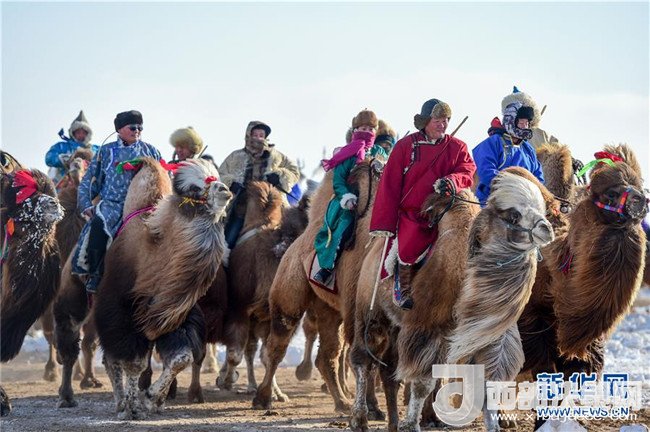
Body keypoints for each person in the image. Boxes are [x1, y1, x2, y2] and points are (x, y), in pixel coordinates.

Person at [369, 98, 476, 310]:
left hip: (444, 210)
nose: (443, 125)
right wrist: (386, 221)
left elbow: (467, 170)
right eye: (438, 120)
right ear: (425, 121)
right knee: (410, 241)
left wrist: (452, 182)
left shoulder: (457, 147)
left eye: (446, 120)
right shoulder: (405, 146)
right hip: (413, 213)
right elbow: (390, 184)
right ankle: (403, 287)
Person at [72, 110, 161, 293]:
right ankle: (94, 273)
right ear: (120, 129)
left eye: (140, 127)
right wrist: (86, 205)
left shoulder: (151, 151)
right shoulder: (105, 151)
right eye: (132, 127)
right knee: (98, 226)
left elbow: (164, 178)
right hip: (112, 206)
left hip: (143, 207)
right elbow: (89, 182)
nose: (137, 131)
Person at [312, 109, 388, 285]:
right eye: (363, 128)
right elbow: (338, 181)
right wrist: (347, 197)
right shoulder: (348, 152)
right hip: (348, 201)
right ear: (355, 130)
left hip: (375, 200)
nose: (367, 132)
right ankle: (327, 268)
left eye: (371, 129)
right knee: (344, 227)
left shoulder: (380, 152)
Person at [219, 121, 300, 249]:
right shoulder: (235, 156)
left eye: (261, 135)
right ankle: (224, 258)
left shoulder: (277, 156)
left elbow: (294, 171)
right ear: (248, 135)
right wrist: (230, 183)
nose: (258, 138)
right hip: (242, 206)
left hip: (271, 205)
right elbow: (220, 174)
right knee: (228, 240)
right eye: (255, 135)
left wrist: (280, 176)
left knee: (285, 239)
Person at [473, 87, 545, 205]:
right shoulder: (492, 144)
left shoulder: (528, 150)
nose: (525, 126)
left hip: (525, 204)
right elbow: (487, 173)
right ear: (511, 121)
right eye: (521, 122)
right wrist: (514, 189)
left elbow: (538, 178)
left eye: (527, 123)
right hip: (493, 202)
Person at [45, 110, 99, 184]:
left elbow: (107, 157)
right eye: (78, 132)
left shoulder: (95, 149)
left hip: (89, 183)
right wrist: (65, 159)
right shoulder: (62, 146)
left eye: (83, 133)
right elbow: (49, 158)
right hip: (63, 183)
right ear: (73, 133)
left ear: (87, 134)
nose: (81, 135)